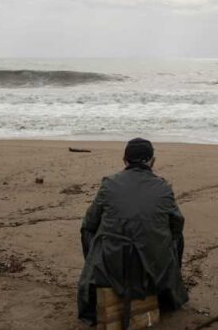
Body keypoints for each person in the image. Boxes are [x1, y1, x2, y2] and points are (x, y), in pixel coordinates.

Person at [77, 138, 188, 325]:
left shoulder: (109, 184)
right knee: (176, 236)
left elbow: (90, 223)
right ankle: (166, 287)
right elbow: (177, 227)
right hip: (153, 268)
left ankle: (98, 278)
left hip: (112, 266)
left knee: (87, 230)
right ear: (153, 161)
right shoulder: (164, 187)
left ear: (124, 160)